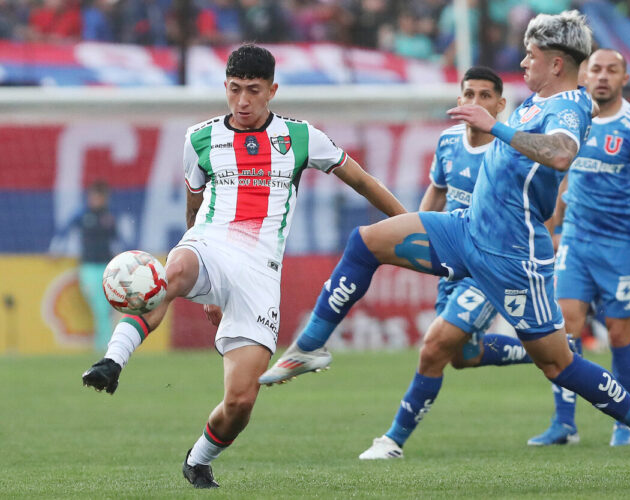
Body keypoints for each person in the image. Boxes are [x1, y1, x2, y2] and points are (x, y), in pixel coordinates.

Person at [260, 12, 630, 477]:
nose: (523, 62)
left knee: (558, 365)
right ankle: (309, 347)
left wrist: (492, 124)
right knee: (367, 241)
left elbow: (560, 154)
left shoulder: (569, 108)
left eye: (531, 55)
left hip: (512, 255)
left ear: (557, 63)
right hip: (466, 229)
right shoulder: (538, 100)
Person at [81, 44, 407, 489]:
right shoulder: (199, 138)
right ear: (225, 88)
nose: (243, 102)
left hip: (259, 273)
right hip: (210, 244)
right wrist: (199, 280)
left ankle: (198, 459)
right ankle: (111, 362)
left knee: (240, 402)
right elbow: (194, 212)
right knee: (168, 275)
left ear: (272, 89)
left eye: (253, 91)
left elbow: (363, 181)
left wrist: (411, 224)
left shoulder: (302, 137)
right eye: (234, 90)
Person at [356, 66, 543, 459]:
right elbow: (436, 196)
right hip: (453, 260)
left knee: (434, 346)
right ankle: (542, 349)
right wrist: (415, 239)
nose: (475, 102)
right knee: (462, 356)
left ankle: (392, 441)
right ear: (459, 100)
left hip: (488, 265)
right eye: (468, 95)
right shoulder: (447, 142)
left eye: (484, 96)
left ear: (500, 104)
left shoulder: (507, 151)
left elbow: (538, 207)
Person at [526, 48, 630, 448]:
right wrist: (553, 229)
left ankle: (625, 426)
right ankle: (564, 424)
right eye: (596, 69)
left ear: (625, 78)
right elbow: (559, 175)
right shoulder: (572, 119)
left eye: (613, 70)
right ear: (584, 75)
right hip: (575, 240)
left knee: (619, 334)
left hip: (623, 245)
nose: (604, 76)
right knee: (564, 328)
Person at [50, 180, 120, 351]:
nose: (95, 200)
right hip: (88, 266)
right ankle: (106, 345)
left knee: (105, 308)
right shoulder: (82, 215)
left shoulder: (109, 217)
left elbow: (118, 241)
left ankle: (105, 345)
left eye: (99, 197)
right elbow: (64, 231)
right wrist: (56, 250)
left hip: (107, 266)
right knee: (99, 305)